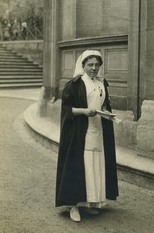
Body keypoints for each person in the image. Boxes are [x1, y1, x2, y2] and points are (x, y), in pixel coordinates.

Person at [55, 50, 119, 222]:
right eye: (90, 65)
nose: (93, 68)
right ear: (82, 66)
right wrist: (84, 111)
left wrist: (106, 113)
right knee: (78, 166)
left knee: (93, 166)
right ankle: (74, 205)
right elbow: (66, 110)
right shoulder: (74, 85)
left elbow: (104, 104)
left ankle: (90, 202)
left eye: (97, 65)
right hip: (80, 132)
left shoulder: (101, 83)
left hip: (98, 130)